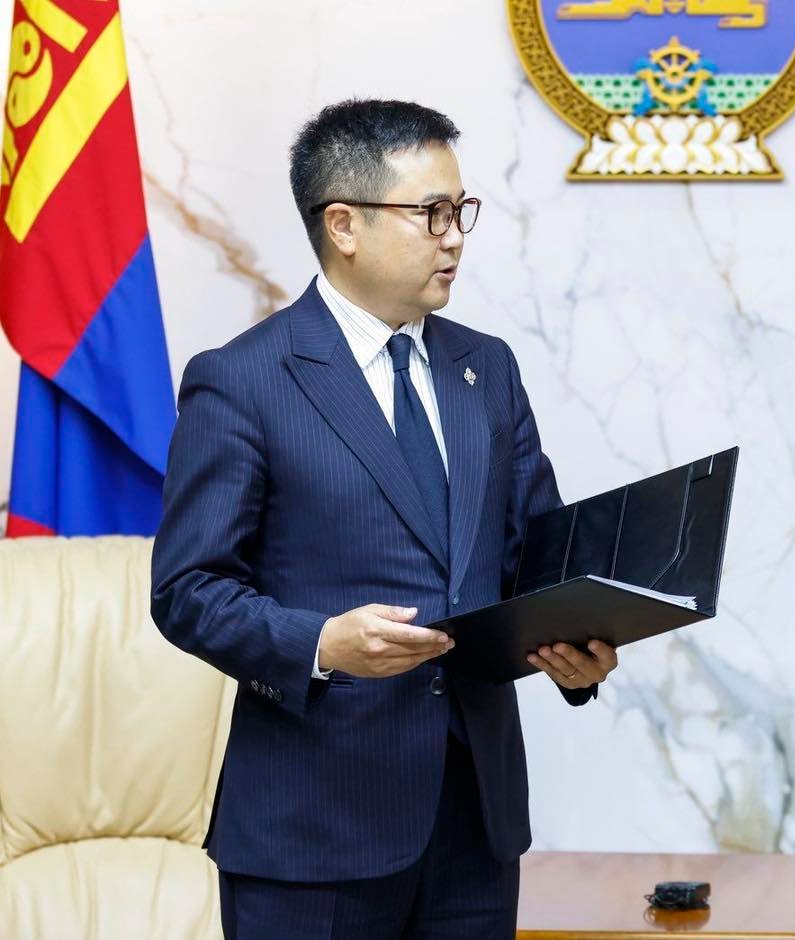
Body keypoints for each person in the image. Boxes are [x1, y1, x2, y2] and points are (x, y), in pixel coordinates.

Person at [151, 99, 618, 939]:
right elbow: (187, 589)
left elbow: (534, 555)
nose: (454, 237)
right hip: (313, 832)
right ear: (344, 225)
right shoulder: (244, 380)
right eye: (431, 212)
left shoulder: (487, 368)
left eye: (461, 211)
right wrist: (320, 645)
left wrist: (576, 646)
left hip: (475, 825)